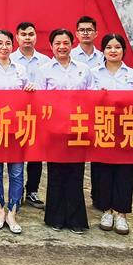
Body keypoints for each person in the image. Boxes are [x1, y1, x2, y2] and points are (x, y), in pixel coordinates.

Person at [0, 29, 36, 234]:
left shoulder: (20, 69)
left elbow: (29, 95)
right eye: (0, 43)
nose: (4, 47)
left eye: (8, 43)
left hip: (16, 128)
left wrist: (30, 89)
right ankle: (0, 210)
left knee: (17, 171)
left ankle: (12, 212)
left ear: (13, 46)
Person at [40, 28, 93, 233]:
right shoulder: (45, 70)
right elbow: (40, 100)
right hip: (54, 129)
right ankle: (56, 217)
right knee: (56, 173)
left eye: (66, 43)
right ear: (51, 46)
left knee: (75, 174)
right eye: (57, 43)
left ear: (72, 45)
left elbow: (91, 96)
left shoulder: (83, 69)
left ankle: (75, 219)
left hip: (78, 128)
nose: (62, 47)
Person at [89, 33, 133, 235]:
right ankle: (106, 211)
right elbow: (84, 98)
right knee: (102, 170)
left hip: (127, 127)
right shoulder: (93, 73)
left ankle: (121, 213)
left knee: (125, 171)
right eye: (109, 47)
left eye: (117, 47)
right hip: (102, 126)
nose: (113, 50)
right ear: (103, 51)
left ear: (123, 51)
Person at [13, 21, 51, 210]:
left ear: (36, 37)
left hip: (38, 114)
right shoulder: (10, 58)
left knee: (36, 153)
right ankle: (16, 191)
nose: (27, 38)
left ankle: (32, 191)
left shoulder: (45, 61)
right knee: (16, 154)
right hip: (14, 114)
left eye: (30, 34)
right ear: (17, 37)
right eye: (23, 34)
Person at [71, 16, 105, 208]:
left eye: (89, 30)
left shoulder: (103, 56)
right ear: (76, 34)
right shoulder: (69, 54)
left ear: (96, 33)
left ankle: (99, 196)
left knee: (98, 156)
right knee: (76, 156)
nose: (86, 33)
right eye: (82, 30)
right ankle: (75, 197)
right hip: (75, 115)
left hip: (99, 113)